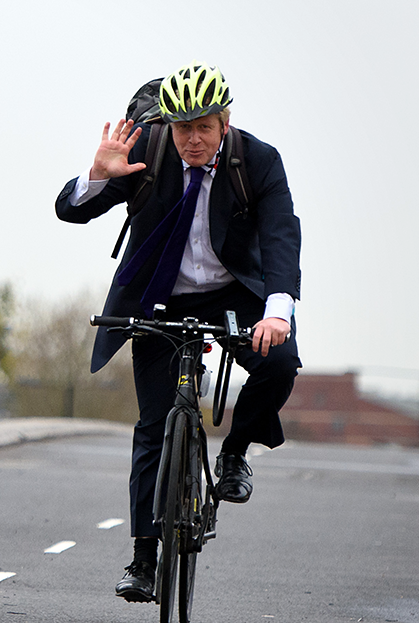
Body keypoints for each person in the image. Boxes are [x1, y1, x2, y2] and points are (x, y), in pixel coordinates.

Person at [54, 61, 301, 603]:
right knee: (153, 423)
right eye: (182, 127)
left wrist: (277, 312)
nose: (191, 139)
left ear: (224, 123)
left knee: (280, 366)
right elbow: (71, 212)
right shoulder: (150, 148)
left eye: (203, 128)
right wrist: (97, 175)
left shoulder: (257, 161)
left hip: (235, 290)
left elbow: (282, 235)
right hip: (159, 293)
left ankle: (234, 452)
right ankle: (143, 558)